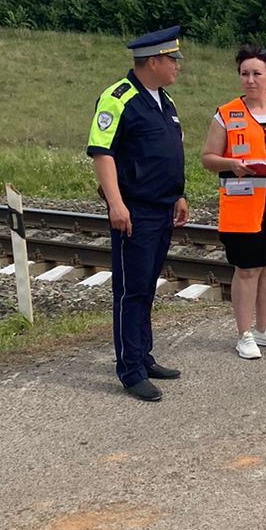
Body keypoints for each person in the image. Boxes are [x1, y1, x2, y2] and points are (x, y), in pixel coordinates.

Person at [87, 26, 189, 401]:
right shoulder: (118, 98)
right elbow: (102, 152)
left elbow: (167, 152)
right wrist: (116, 203)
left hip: (163, 207)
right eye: (172, 60)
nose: (177, 66)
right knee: (130, 291)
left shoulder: (164, 100)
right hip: (134, 210)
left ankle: (143, 356)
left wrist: (178, 194)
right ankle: (129, 370)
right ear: (153, 61)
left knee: (146, 287)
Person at [200, 43, 266, 360]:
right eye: (244, 73)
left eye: (257, 73)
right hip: (241, 208)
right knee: (247, 270)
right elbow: (208, 158)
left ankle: (265, 329)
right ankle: (244, 333)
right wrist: (232, 164)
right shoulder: (225, 114)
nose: (250, 79)